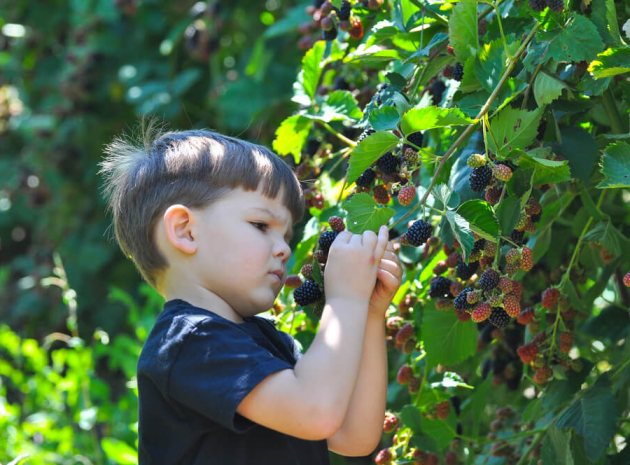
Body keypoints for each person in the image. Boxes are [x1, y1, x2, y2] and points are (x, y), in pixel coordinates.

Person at [99, 124, 402, 465]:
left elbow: (353, 435)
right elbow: (315, 413)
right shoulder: (190, 342)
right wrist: (345, 300)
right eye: (261, 226)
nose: (284, 250)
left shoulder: (267, 341)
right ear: (185, 230)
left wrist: (370, 312)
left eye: (287, 236)